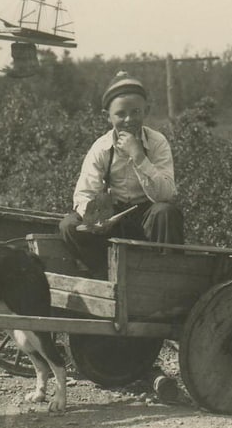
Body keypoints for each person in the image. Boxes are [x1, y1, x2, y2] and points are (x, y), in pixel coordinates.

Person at [59, 71, 185, 277]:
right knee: (69, 226)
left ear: (147, 111)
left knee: (165, 212)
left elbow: (166, 195)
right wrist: (94, 219)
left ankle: (163, 279)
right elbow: (84, 194)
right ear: (107, 116)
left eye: (136, 112)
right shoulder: (101, 148)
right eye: (120, 114)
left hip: (148, 217)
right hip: (112, 219)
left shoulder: (157, 143)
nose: (129, 119)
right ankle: (106, 275)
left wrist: (138, 156)